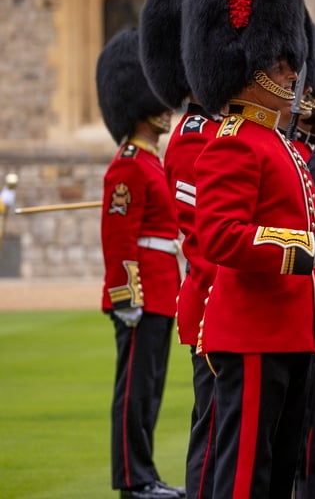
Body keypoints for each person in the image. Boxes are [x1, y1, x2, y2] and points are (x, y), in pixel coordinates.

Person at [181, 0, 315, 499]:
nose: (290, 75)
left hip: (290, 330)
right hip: (252, 333)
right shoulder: (234, 142)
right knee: (244, 476)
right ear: (250, 69)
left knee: (278, 473)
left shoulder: (277, 143)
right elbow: (221, 237)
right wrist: (312, 250)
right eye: (281, 66)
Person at [139, 0, 221, 499]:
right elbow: (205, 236)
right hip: (214, 304)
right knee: (214, 435)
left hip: (231, 305)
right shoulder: (193, 136)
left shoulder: (221, 131)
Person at [96, 28, 184, 499]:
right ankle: (134, 480)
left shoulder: (150, 162)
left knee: (149, 391)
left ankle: (145, 474)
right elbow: (119, 239)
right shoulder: (129, 164)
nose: (168, 108)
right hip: (142, 294)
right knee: (134, 391)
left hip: (162, 290)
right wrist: (125, 294)